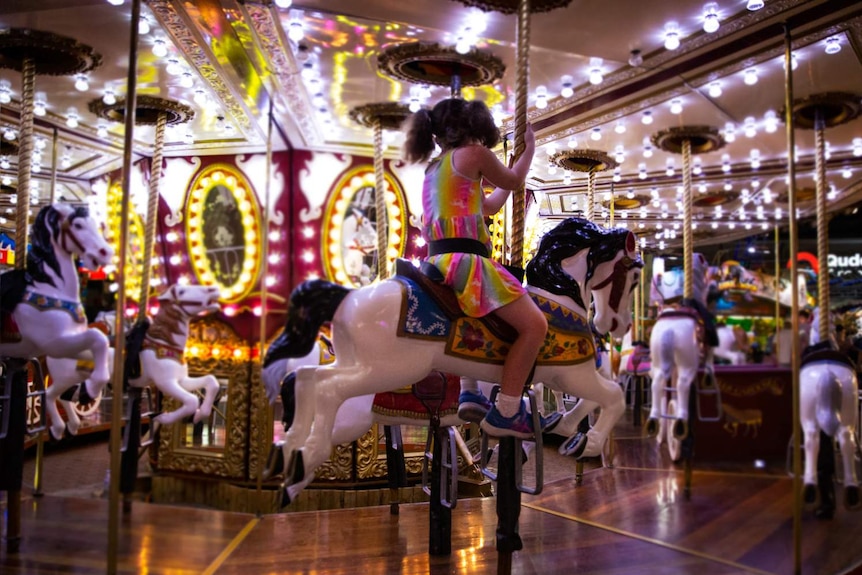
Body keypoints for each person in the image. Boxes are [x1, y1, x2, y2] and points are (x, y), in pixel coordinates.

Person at [403, 97, 559, 439]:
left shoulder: (435, 167)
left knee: (471, 319)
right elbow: (515, 181)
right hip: (467, 260)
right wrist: (528, 151)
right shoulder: (474, 153)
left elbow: (486, 206)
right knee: (535, 326)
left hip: (438, 260)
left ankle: (470, 390)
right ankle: (507, 409)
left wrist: (506, 181)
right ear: (474, 126)